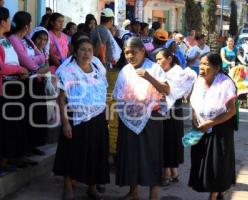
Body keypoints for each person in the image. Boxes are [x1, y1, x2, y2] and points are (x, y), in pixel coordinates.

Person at [113, 37, 170, 200]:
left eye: (134, 52)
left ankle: (154, 193)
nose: (130, 56)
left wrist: (148, 77)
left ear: (143, 51)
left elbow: (166, 90)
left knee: (152, 154)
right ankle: (133, 191)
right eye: (127, 52)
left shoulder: (154, 68)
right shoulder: (125, 70)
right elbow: (118, 94)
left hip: (151, 118)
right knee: (131, 154)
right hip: (128, 118)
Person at [53, 38, 109, 200]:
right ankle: (68, 187)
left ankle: (92, 187)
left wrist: (105, 115)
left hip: (97, 116)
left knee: (95, 152)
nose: (86, 53)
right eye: (83, 50)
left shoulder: (97, 67)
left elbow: (102, 91)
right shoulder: (67, 71)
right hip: (75, 116)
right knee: (71, 153)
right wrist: (65, 123)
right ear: (75, 52)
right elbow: (61, 98)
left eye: (89, 50)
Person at [189, 53, 237, 200]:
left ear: (216, 68)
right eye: (200, 63)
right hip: (200, 128)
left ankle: (215, 194)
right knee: (201, 161)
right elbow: (193, 103)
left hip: (219, 129)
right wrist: (195, 120)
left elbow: (231, 111)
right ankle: (220, 191)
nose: (201, 67)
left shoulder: (226, 84)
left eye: (205, 64)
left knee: (217, 164)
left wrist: (211, 123)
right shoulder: (198, 81)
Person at [0, 7, 29, 170]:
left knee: (12, 125)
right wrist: (19, 70)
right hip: (3, 86)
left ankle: (6, 159)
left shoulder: (5, 38)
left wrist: (20, 71)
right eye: (8, 18)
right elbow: (0, 67)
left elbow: (13, 61)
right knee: (2, 126)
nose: (11, 21)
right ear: (2, 22)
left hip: (15, 83)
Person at [8, 11, 49, 159]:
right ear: (26, 25)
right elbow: (28, 62)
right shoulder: (13, 39)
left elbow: (42, 56)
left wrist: (36, 61)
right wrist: (37, 62)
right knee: (25, 117)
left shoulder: (26, 39)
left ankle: (33, 145)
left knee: (37, 114)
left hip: (36, 80)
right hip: (25, 83)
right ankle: (24, 149)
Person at [155, 49, 196, 186]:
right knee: (165, 139)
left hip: (173, 111)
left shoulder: (178, 73)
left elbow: (173, 91)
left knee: (170, 140)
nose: (158, 62)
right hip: (162, 111)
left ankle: (167, 171)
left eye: (160, 59)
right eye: (156, 59)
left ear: (169, 59)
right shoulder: (161, 72)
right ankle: (173, 171)